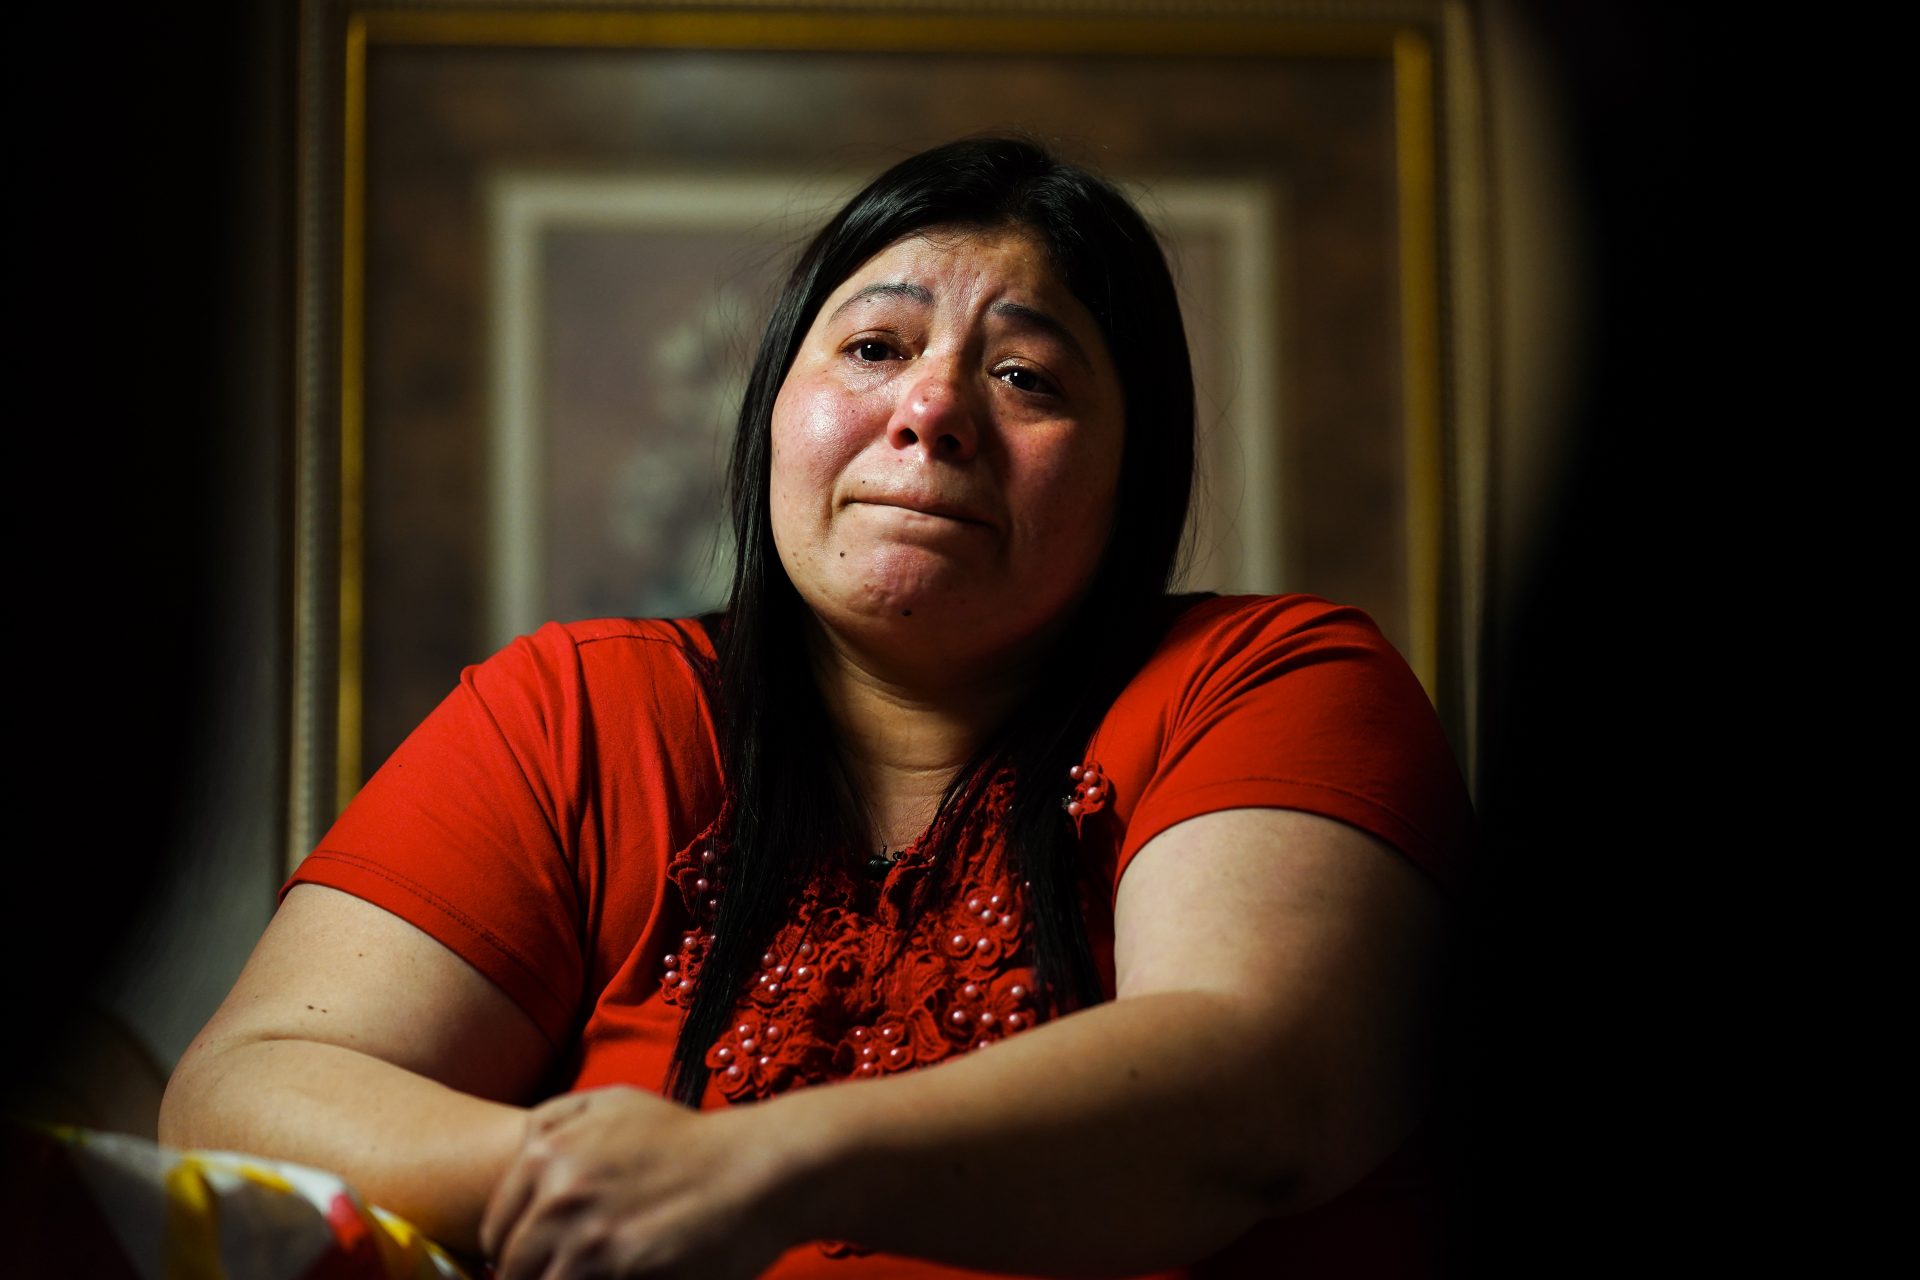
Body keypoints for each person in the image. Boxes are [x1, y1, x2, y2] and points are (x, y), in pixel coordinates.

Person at [161, 136, 1471, 1279]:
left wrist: (765, 1169)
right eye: (875, 346)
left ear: (1135, 477)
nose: (933, 409)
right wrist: (594, 1181)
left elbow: (1254, 1090)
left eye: (1029, 377)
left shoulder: (1274, 679)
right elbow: (242, 1093)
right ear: (774, 415)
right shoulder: (577, 711)